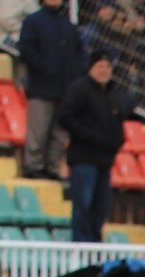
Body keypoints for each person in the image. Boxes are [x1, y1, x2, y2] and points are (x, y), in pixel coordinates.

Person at [58, 53, 126, 244]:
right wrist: (88, 136)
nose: (104, 71)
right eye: (100, 66)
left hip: (105, 159)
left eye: (107, 66)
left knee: (101, 205)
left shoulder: (113, 93)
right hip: (84, 158)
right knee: (83, 204)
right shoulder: (79, 89)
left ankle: (95, 242)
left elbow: (118, 120)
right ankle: (81, 243)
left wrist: (118, 140)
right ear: (91, 68)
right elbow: (65, 116)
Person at [18, 0, 84, 179]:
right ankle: (33, 166)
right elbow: (26, 48)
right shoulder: (33, 21)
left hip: (64, 90)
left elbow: (80, 54)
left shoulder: (68, 26)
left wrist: (75, 76)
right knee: (38, 129)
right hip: (42, 87)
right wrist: (43, 67)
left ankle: (52, 167)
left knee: (59, 133)